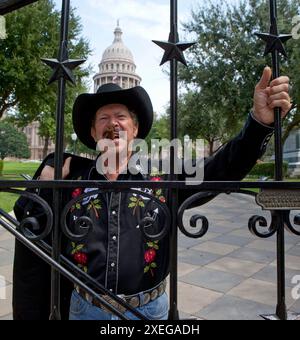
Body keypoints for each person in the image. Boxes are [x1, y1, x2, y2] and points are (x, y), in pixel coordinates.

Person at [12, 66, 292, 320]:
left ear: (134, 128)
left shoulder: (162, 178)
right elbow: (32, 231)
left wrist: (258, 124)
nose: (113, 124)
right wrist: (44, 189)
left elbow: (221, 169)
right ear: (93, 131)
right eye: (104, 118)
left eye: (121, 116)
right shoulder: (69, 177)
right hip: (85, 309)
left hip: (149, 311)